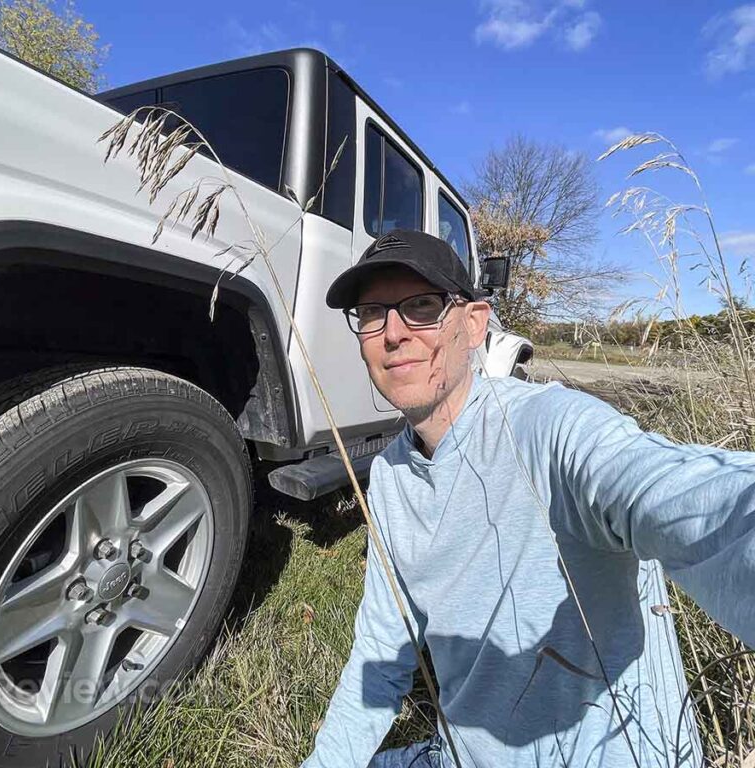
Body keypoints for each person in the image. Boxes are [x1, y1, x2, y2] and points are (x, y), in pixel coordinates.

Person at [300, 229, 755, 768]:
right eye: (372, 313)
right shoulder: (392, 475)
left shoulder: (549, 427)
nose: (393, 333)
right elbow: (380, 653)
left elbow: (684, 496)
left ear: (474, 324)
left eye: (420, 306)